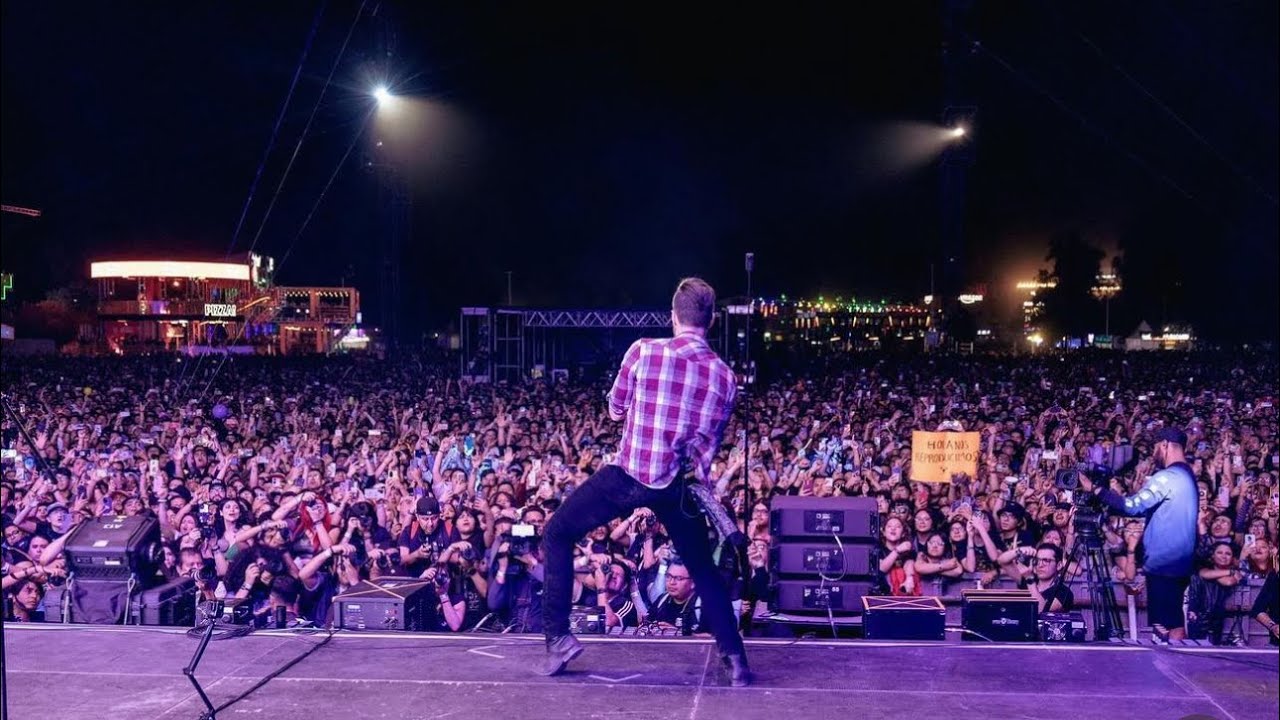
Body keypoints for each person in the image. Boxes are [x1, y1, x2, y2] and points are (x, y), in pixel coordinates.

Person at [539, 277, 749, 686]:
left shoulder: (644, 350)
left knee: (557, 533)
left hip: (628, 475)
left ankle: (559, 640)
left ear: (673, 315)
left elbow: (616, 409)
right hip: (678, 486)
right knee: (703, 570)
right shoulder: (726, 377)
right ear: (712, 321)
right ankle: (735, 658)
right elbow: (708, 445)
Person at [1081, 426, 1198, 641]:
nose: (1153, 454)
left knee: (1168, 624)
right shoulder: (1187, 476)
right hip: (1176, 563)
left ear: (1164, 445)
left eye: (1155, 448)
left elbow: (1131, 506)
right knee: (1171, 620)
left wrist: (1094, 489)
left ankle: (1177, 664)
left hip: (1165, 564)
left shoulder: (1168, 477)